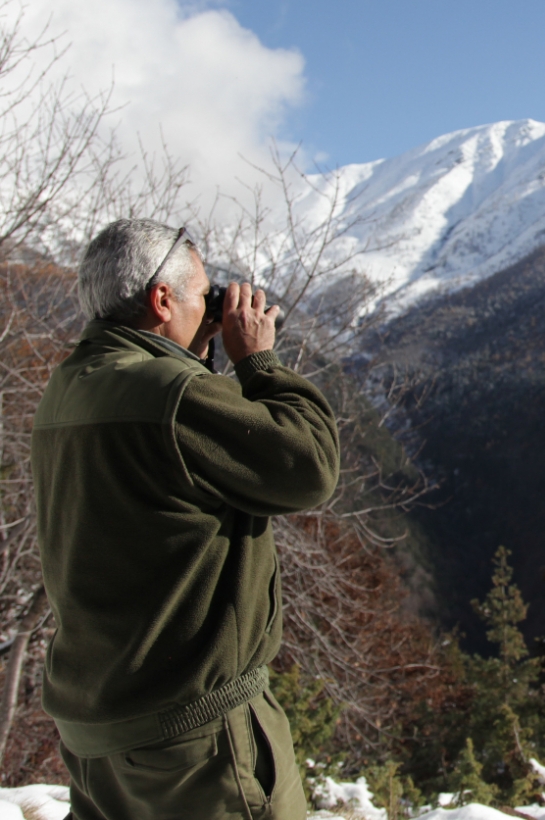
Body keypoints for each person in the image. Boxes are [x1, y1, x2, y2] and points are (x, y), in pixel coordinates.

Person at [32, 218, 340, 819]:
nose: (215, 309)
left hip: (98, 733)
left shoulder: (67, 388)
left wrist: (198, 355)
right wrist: (259, 363)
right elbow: (309, 467)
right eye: (204, 294)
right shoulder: (169, 394)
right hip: (195, 738)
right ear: (161, 298)